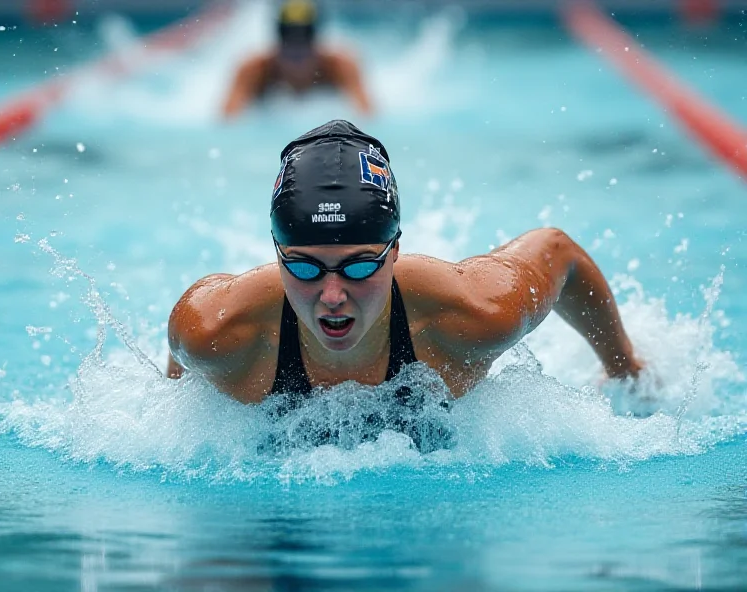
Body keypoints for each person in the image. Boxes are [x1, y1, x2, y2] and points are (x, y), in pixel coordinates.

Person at [167, 119, 644, 424]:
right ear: (277, 255)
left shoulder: (473, 314)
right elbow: (182, 357)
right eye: (306, 268)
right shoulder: (221, 332)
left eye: (358, 266)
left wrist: (625, 369)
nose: (332, 295)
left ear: (395, 250)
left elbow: (558, 251)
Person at [221, 0, 373, 119]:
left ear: (317, 43)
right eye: (289, 43)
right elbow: (226, 123)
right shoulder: (255, 71)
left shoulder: (339, 67)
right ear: (277, 43)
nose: (297, 55)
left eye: (304, 43)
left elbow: (369, 117)